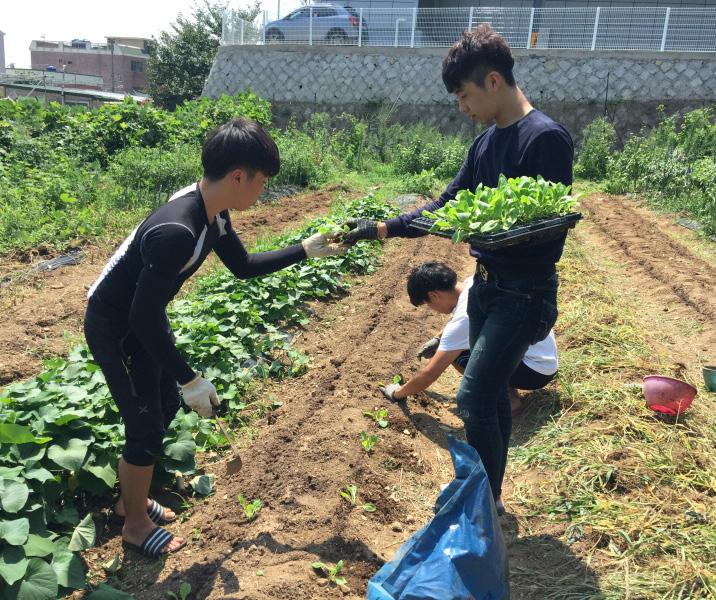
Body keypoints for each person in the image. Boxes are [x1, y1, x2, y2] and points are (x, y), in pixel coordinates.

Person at [84, 118, 345, 558]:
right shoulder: (177, 230)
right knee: (144, 424)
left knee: (162, 406)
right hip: (117, 329)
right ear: (239, 176)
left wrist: (304, 249)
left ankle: (130, 497)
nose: (262, 192)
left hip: (144, 321)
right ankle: (133, 523)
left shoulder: (214, 212)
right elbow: (140, 316)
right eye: (262, 182)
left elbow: (242, 265)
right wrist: (191, 379)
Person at [344, 24, 573, 508]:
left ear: (493, 81)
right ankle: (492, 496)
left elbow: (548, 229)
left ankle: (483, 498)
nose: (463, 108)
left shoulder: (545, 139)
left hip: (525, 292)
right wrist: (383, 228)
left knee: (472, 396)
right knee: (490, 395)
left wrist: (487, 232)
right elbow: (447, 205)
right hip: (488, 286)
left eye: (465, 96)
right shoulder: (486, 144)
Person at [379, 262, 558, 418]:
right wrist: (437, 338)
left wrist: (397, 393)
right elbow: (459, 323)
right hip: (542, 360)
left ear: (434, 295)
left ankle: (509, 403)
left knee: (458, 356)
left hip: (533, 372)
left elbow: (430, 374)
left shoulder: (465, 317)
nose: (432, 309)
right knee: (473, 345)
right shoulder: (474, 282)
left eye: (428, 305)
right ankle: (507, 391)